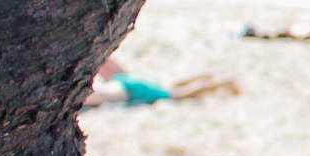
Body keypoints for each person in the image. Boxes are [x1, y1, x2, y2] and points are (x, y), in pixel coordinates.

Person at [82, 53, 241, 107]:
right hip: (122, 83)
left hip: (128, 89)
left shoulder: (91, 96)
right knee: (169, 87)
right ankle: (204, 77)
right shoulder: (97, 91)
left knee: (177, 94)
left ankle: (224, 82)